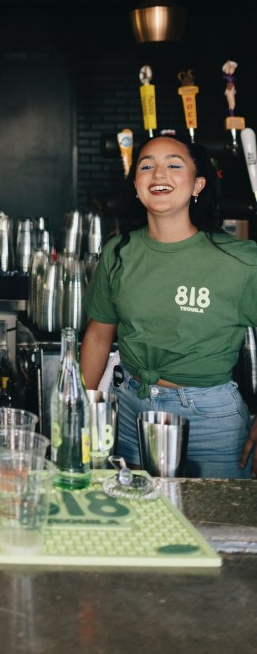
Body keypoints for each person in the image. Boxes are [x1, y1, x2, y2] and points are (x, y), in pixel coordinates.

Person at [81, 133, 257, 479]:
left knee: (212, 530)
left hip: (210, 420)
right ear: (136, 185)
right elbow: (100, 335)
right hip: (131, 407)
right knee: (138, 523)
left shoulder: (239, 260)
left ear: (198, 184)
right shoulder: (118, 252)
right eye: (147, 166)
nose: (158, 174)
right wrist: (83, 407)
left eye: (174, 165)